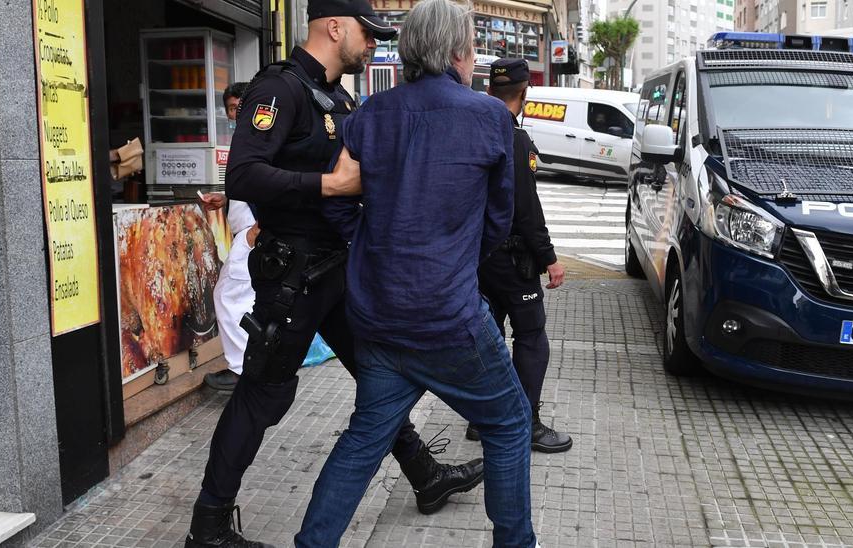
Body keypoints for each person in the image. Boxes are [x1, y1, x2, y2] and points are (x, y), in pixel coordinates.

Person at [184, 3, 484, 547]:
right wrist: (330, 187)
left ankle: (425, 474)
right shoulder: (279, 89)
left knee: (382, 377)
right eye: (368, 34)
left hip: (340, 270)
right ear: (335, 27)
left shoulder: (339, 97)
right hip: (293, 276)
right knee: (263, 396)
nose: (373, 44)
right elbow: (245, 175)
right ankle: (208, 525)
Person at [294, 1, 536, 545]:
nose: (475, 60)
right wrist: (451, 258)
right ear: (456, 53)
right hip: (448, 318)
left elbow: (336, 200)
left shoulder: (370, 115)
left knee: (363, 439)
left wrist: (374, 246)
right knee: (510, 422)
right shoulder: (490, 116)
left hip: (377, 317)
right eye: (473, 48)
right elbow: (500, 219)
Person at [463, 57, 571, 453]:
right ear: (525, 94)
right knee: (531, 336)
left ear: (490, 90)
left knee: (488, 336)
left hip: (478, 258)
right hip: (512, 260)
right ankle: (526, 422)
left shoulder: (474, 131)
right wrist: (550, 258)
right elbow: (526, 208)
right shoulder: (515, 138)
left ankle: (481, 418)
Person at [201, 82, 261, 393]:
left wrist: (257, 229)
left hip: (253, 232)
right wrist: (226, 200)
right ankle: (251, 367)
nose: (235, 114)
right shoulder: (246, 136)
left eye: (238, 107)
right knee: (242, 300)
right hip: (248, 229)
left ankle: (242, 372)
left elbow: (271, 182)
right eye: (230, 110)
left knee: (227, 296)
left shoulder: (259, 136)